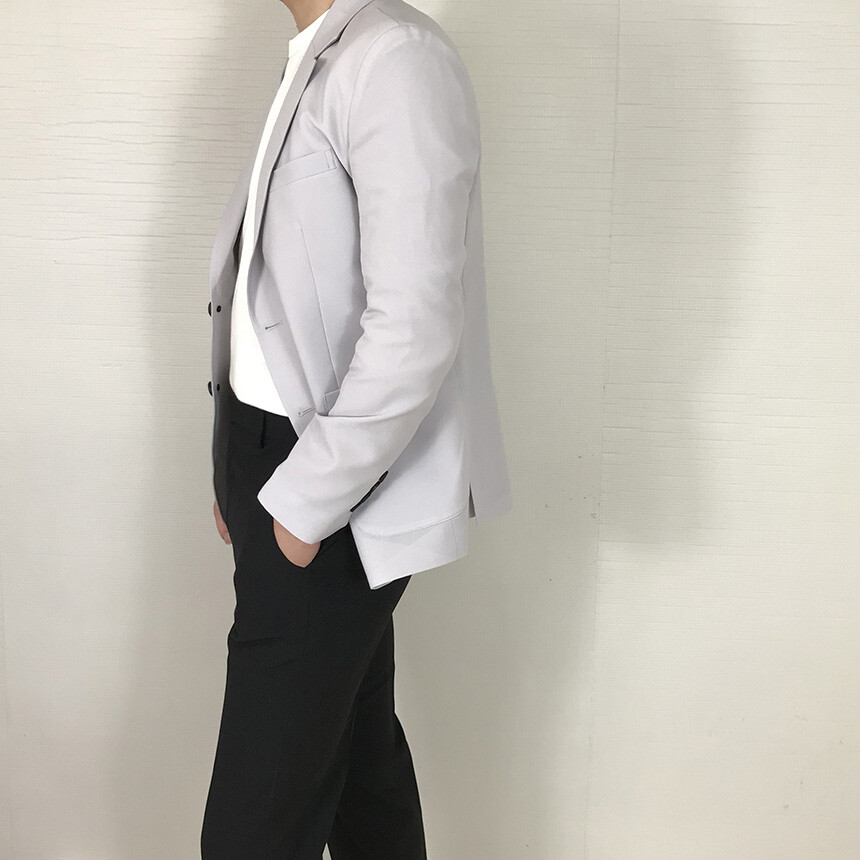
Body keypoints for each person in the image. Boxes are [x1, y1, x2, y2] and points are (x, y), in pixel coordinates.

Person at [200, 0, 512, 855]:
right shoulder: (323, 53)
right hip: (278, 462)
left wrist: (305, 506)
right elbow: (271, 294)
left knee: (255, 826)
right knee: (357, 768)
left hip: (331, 486)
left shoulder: (395, 59)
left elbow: (415, 326)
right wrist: (234, 462)